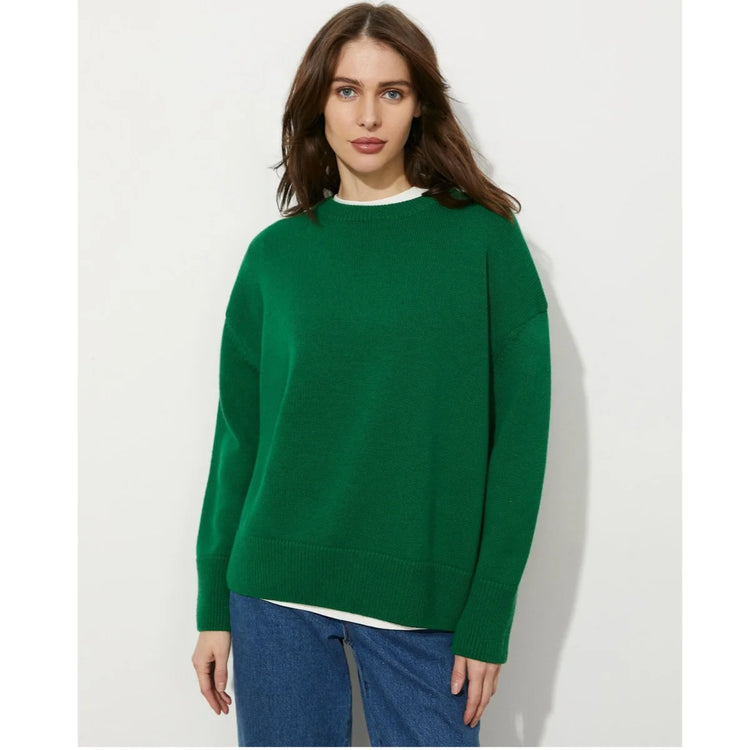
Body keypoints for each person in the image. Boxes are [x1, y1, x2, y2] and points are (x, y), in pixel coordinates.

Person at [191, 2, 551, 746]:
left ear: (420, 106)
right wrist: (212, 606)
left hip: (425, 603)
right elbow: (239, 441)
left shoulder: (483, 242)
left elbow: (520, 440)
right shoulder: (275, 257)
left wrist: (489, 613)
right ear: (318, 103)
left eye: (392, 91)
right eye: (346, 90)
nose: (368, 115)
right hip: (275, 595)